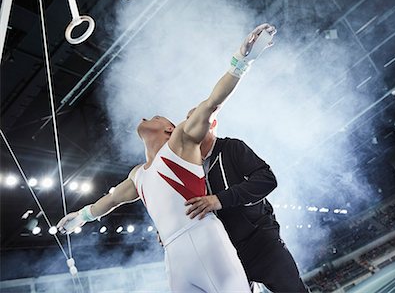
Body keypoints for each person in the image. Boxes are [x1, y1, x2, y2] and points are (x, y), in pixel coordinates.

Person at [57, 23, 276, 292]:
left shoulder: (180, 142)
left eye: (155, 117)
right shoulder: (138, 175)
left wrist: (241, 61)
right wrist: (80, 217)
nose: (146, 117)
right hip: (173, 255)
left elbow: (212, 103)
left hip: (204, 239)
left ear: (169, 128)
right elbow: (112, 200)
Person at [184, 114, 309, 293]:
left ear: (213, 123)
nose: (192, 121)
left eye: (197, 116)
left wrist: (220, 199)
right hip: (227, 256)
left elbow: (267, 179)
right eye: (188, 119)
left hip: (262, 244)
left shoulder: (232, 147)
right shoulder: (190, 169)